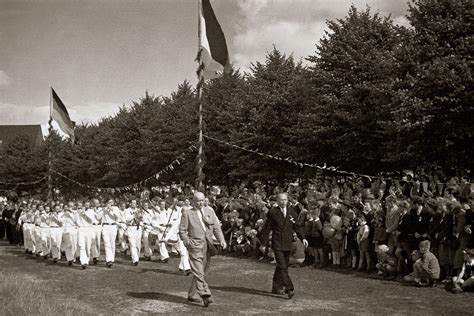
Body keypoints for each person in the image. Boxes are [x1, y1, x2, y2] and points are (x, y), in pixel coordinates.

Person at [179, 191, 227, 307]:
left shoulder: (210, 211)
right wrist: (187, 242)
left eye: (202, 200)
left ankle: (192, 294)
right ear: (193, 202)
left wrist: (222, 239)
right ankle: (205, 294)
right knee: (199, 271)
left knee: (201, 271)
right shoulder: (188, 213)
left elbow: (216, 227)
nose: (201, 203)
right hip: (194, 245)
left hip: (207, 245)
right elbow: (182, 231)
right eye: (198, 201)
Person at [261, 193, 308, 299]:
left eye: (285, 200)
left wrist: (303, 238)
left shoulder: (292, 211)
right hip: (277, 242)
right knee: (282, 266)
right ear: (277, 201)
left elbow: (297, 226)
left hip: (288, 243)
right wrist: (264, 244)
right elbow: (267, 229)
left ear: (288, 201)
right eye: (281, 200)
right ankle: (289, 288)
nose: (283, 202)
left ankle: (276, 287)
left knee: (282, 266)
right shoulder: (273, 212)